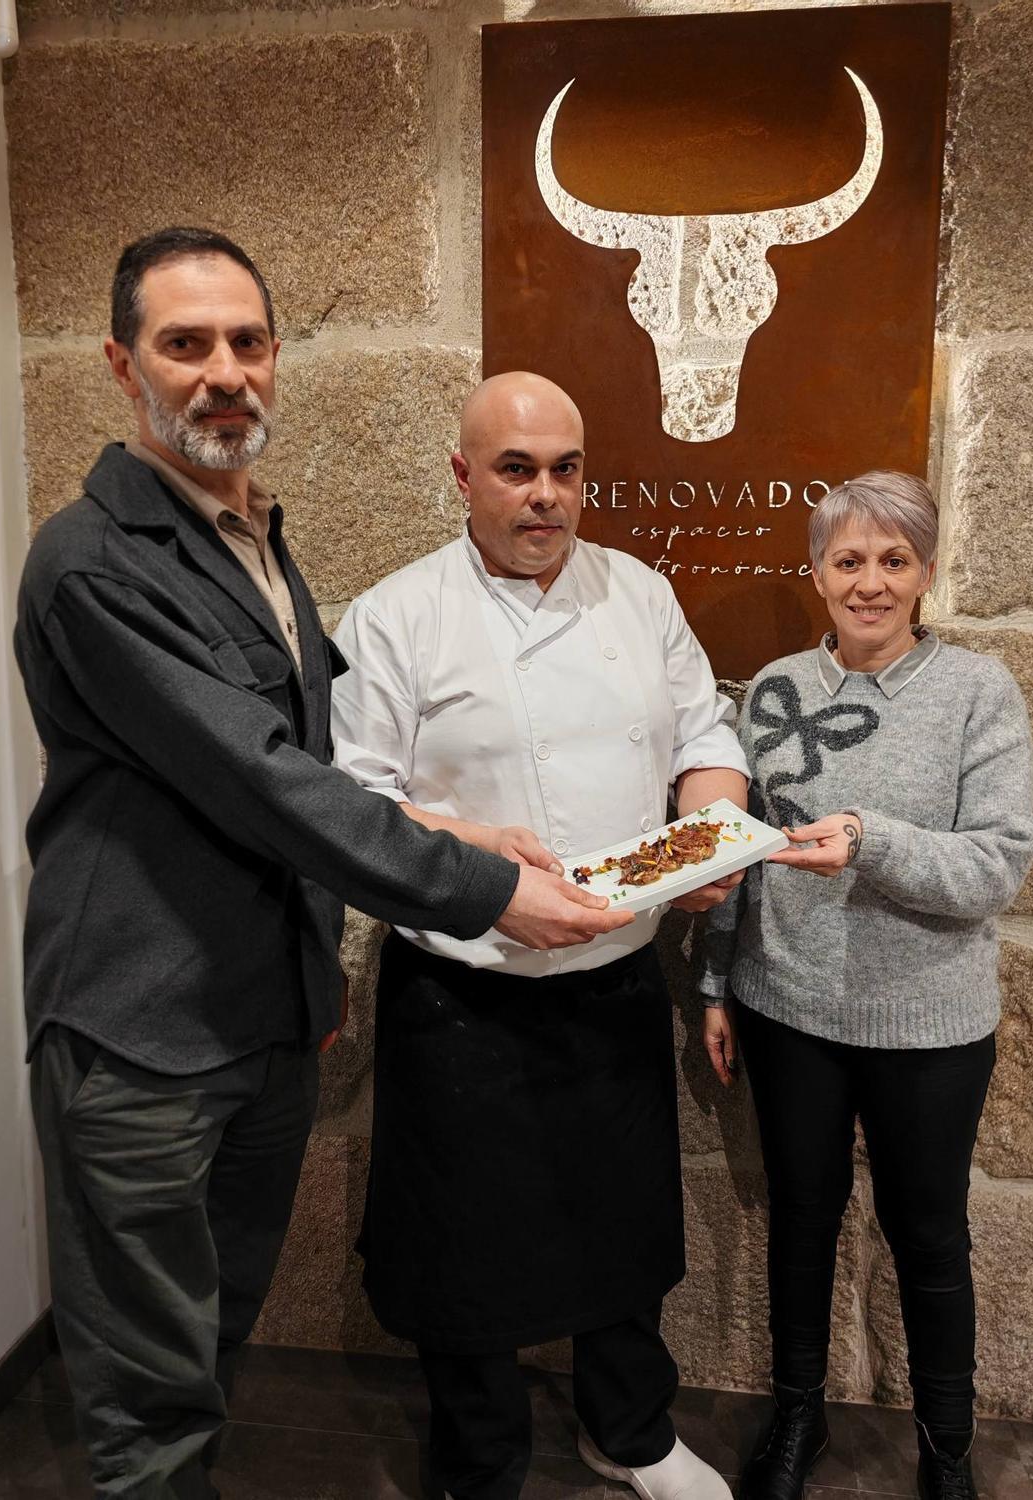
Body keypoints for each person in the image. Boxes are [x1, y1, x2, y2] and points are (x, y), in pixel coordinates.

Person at [14, 231, 627, 1500]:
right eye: (186, 345)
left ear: (278, 359)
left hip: (261, 1021)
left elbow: (306, 760)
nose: (223, 372)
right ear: (122, 364)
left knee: (216, 1336)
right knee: (148, 1399)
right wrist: (483, 886)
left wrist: (436, 847)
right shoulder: (92, 561)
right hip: (139, 1040)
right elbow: (262, 780)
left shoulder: (246, 535)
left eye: (246, 342)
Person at [331, 371, 750, 1500]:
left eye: (566, 468)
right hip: (464, 991)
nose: (547, 495)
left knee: (623, 1228)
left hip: (616, 976)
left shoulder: (639, 593)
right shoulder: (395, 615)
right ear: (463, 475)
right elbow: (353, 801)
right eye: (517, 469)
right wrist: (475, 857)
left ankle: (631, 1430)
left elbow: (702, 732)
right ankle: (479, 1464)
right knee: (462, 1253)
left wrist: (707, 838)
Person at [699, 471, 1033, 1500]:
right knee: (800, 1220)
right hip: (787, 1009)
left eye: (895, 560)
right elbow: (737, 846)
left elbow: (997, 864)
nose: (871, 582)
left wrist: (866, 839)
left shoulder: (979, 691)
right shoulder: (773, 691)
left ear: (927, 573)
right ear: (816, 573)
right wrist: (716, 978)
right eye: (849, 560)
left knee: (929, 1234)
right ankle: (796, 1415)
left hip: (931, 1023)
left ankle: (946, 1449)